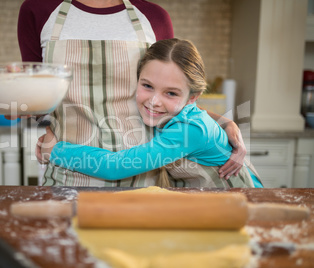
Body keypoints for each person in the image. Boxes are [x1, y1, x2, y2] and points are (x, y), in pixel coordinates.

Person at [19, 0, 247, 186]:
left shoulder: (154, 17)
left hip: (145, 181)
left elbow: (175, 94)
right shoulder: (38, 11)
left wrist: (224, 122)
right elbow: (36, 100)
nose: (155, 99)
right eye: (145, 85)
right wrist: (9, 103)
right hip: (66, 177)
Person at [39, 38, 263, 188]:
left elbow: (116, 166)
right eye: (147, 86)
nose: (154, 102)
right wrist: (226, 121)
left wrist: (55, 150)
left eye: (171, 93)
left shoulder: (189, 131)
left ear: (192, 97)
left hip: (248, 203)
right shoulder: (182, 117)